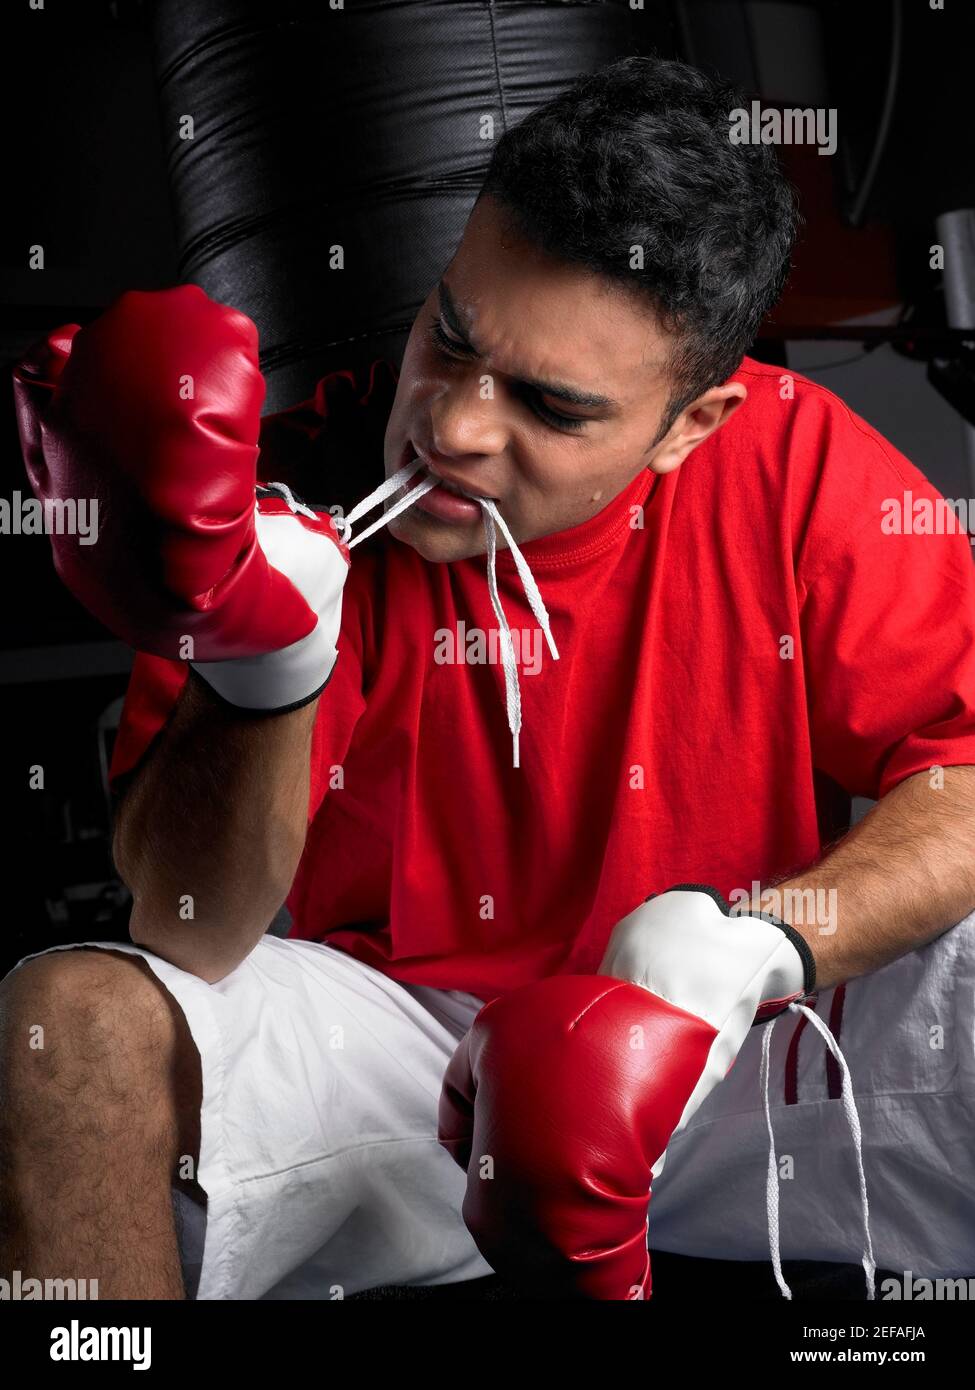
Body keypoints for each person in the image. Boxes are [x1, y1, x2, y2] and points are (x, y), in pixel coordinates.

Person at [3, 55, 975, 1302]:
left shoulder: (797, 464)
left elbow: (959, 776)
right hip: (408, 1058)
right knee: (71, 1024)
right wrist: (267, 668)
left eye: (550, 407)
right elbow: (185, 933)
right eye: (450, 337)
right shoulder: (291, 498)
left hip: (718, 1040)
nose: (454, 426)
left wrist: (761, 946)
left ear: (693, 425)